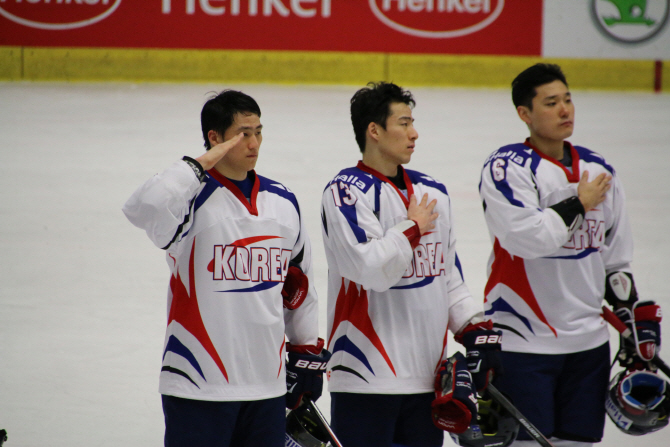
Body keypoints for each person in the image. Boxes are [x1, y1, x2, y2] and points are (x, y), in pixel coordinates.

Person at [122, 90, 329, 447]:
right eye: (242, 133)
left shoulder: (282, 201)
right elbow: (140, 207)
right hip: (197, 385)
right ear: (215, 138)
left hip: (266, 386)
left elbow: (300, 286)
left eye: (259, 132)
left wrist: (305, 352)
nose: (254, 143)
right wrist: (199, 163)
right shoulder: (188, 199)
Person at [478, 63, 662, 446]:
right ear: (524, 114)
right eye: (551, 103)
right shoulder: (507, 168)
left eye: (567, 99)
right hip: (522, 343)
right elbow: (528, 239)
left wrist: (630, 317)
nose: (565, 110)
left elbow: (614, 260)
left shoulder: (599, 170)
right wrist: (579, 202)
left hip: (588, 347)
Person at [320, 81, 501, 447]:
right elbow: (370, 269)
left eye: (412, 122)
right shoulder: (345, 192)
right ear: (374, 131)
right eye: (403, 123)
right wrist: (412, 227)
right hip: (364, 378)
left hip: (427, 380)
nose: (414, 133)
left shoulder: (433, 192)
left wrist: (473, 327)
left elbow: (446, 276)